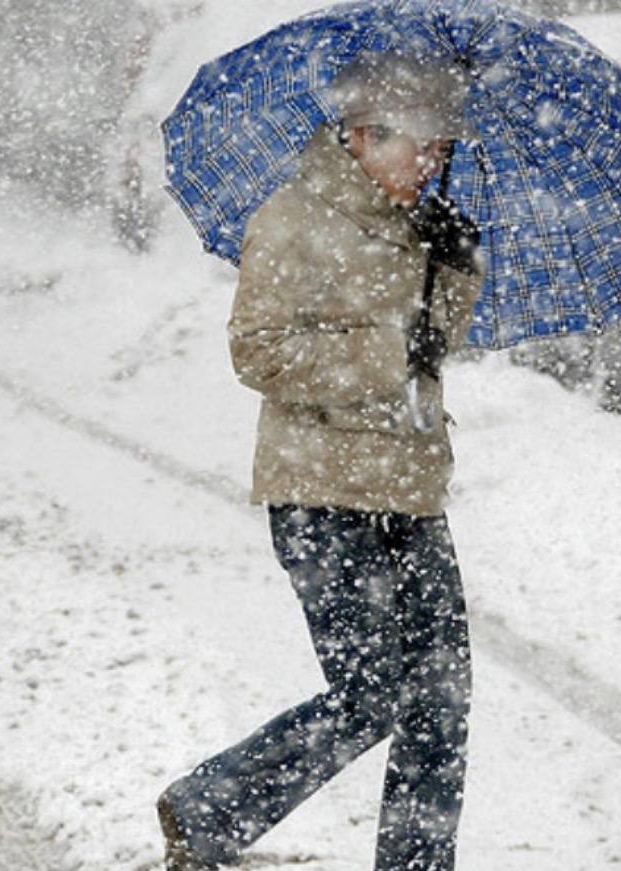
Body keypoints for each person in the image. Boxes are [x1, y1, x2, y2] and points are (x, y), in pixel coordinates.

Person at [157, 53, 486, 871]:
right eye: (419, 146)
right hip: (320, 490)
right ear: (363, 136)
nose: (430, 164)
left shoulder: (422, 226)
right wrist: (382, 354)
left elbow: (433, 351)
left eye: (442, 150)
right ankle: (208, 807)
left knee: (441, 700)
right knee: (372, 691)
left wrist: (455, 270)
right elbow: (258, 351)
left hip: (410, 489)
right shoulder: (292, 220)